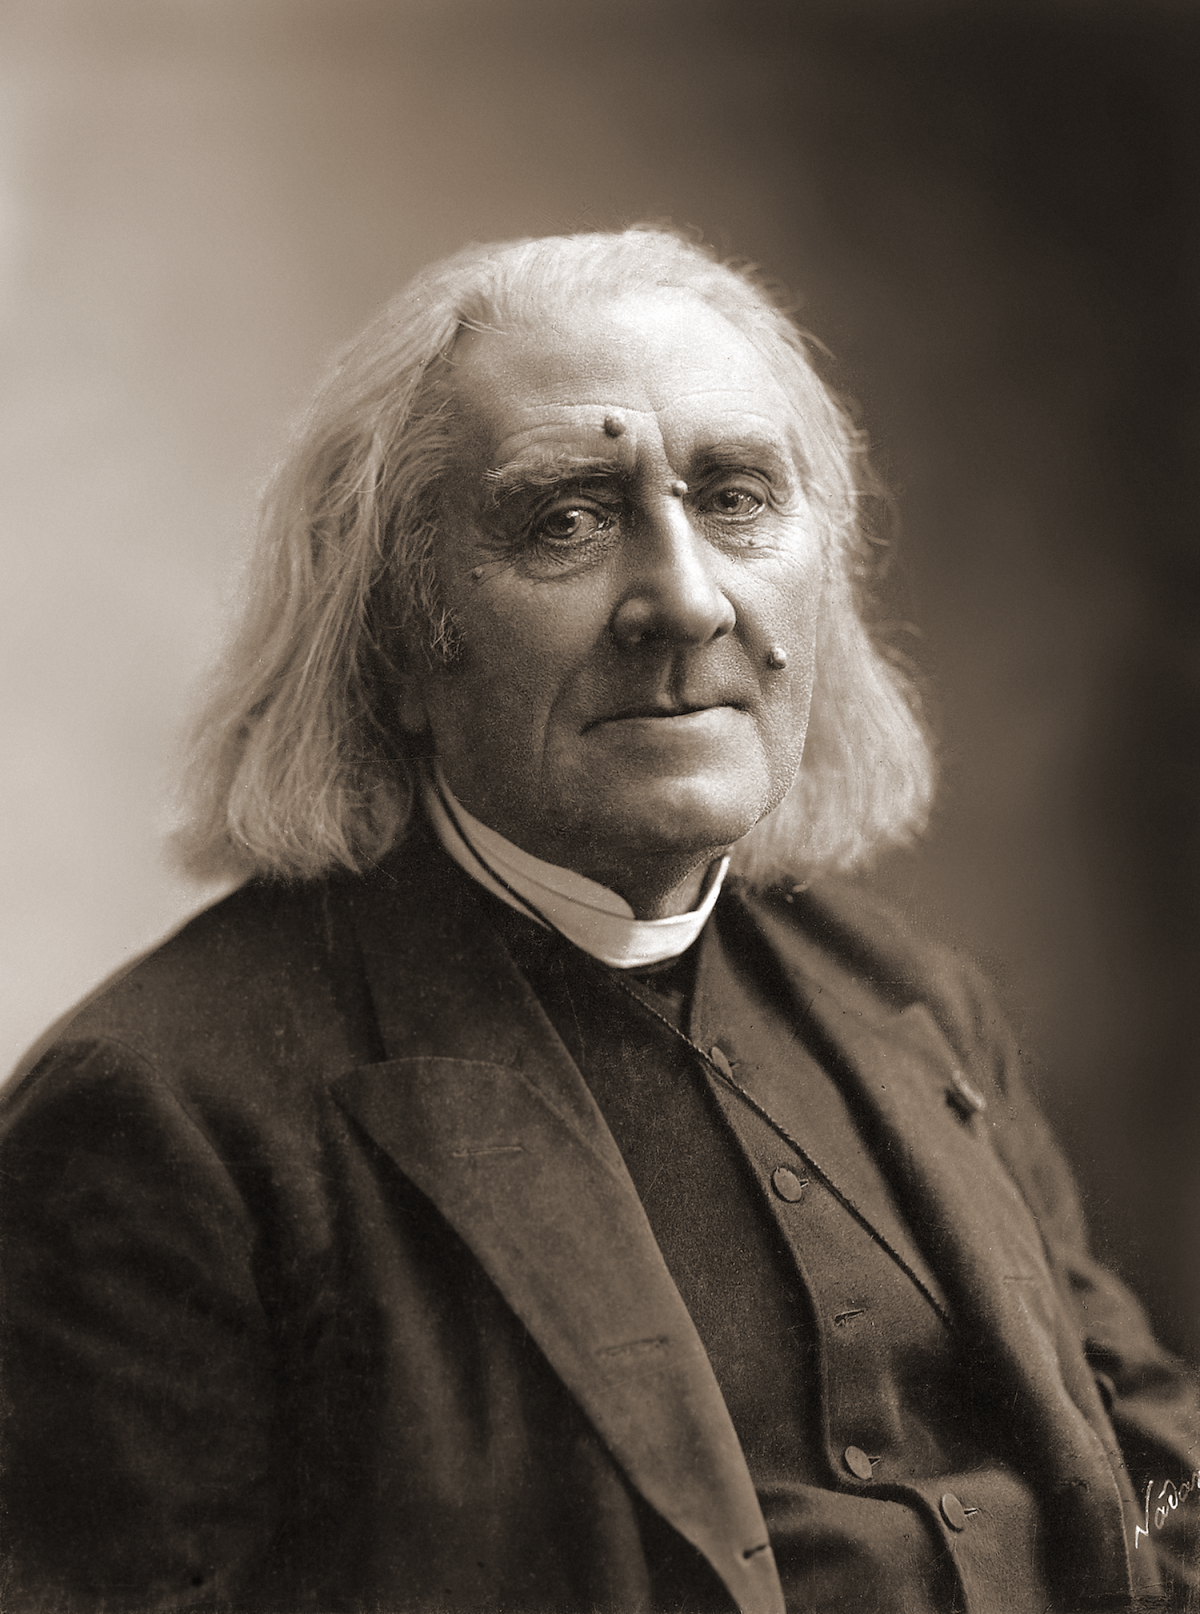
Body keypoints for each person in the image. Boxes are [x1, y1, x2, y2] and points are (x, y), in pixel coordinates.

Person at [1, 227, 1197, 1614]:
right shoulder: (164, 1120)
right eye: (567, 519)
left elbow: (1157, 1471)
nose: (685, 599)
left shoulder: (909, 995)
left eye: (736, 499)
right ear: (398, 645)